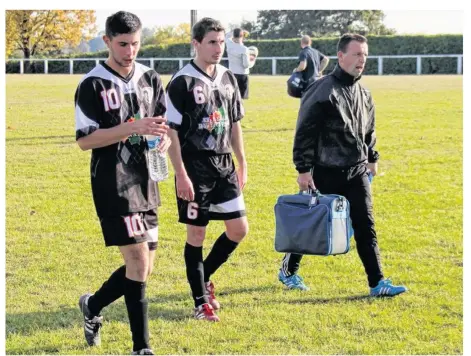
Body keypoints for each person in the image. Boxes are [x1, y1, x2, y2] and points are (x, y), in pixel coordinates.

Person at [278, 33, 407, 297]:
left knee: (365, 224)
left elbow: (368, 130)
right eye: (357, 54)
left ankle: (377, 282)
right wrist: (303, 170)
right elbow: (305, 132)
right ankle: (288, 271)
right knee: (310, 224)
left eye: (365, 55)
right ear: (341, 56)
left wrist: (372, 159)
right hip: (325, 170)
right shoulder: (321, 90)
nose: (362, 60)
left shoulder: (364, 93)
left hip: (357, 171)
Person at [75, 11, 170, 355]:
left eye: (135, 44)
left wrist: (163, 141)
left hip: (147, 180)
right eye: (123, 44)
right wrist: (133, 127)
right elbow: (85, 140)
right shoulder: (92, 84)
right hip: (114, 182)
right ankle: (141, 348)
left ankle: (93, 305)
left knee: (144, 265)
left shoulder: (150, 77)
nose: (130, 51)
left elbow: (161, 126)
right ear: (107, 41)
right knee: (139, 262)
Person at [166, 17, 248, 322]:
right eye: (211, 42)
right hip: (195, 167)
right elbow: (171, 131)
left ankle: (204, 277)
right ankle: (200, 303)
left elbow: (235, 122)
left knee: (238, 230)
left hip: (224, 164)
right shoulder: (182, 81)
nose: (218, 48)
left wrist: (242, 162)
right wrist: (181, 174)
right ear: (196, 43)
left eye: (221, 42)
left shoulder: (228, 77)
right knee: (197, 234)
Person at [225, 28, 255, 99]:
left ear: (233, 35)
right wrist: (252, 61)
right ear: (242, 37)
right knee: (241, 99)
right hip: (242, 75)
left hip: (231, 74)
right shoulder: (244, 49)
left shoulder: (229, 44)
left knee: (232, 98)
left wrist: (236, 31)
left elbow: (226, 35)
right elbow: (246, 65)